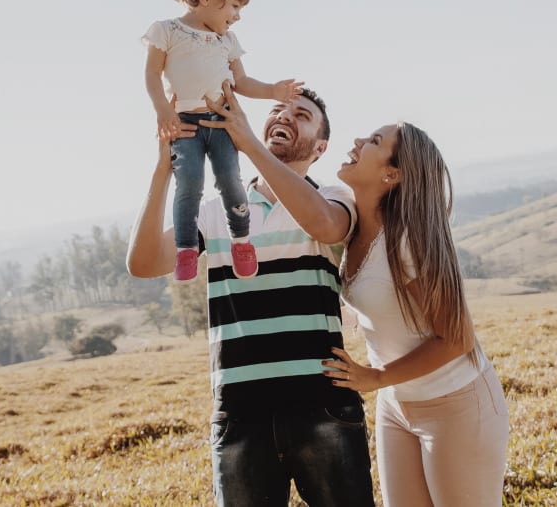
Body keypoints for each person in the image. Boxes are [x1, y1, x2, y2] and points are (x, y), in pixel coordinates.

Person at [204, 86, 510, 506]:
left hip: (454, 405)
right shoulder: (354, 225)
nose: (357, 143)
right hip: (397, 406)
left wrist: (377, 377)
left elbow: (456, 338)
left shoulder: (408, 242)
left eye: (374, 143)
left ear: (392, 174)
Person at [126, 87, 376, 506]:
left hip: (322, 406)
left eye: (302, 114)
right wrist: (163, 168)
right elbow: (144, 263)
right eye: (279, 109)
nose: (286, 116)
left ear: (320, 146)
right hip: (240, 413)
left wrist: (249, 145)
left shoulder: (333, 197)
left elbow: (326, 228)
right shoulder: (212, 211)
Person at [143, 0, 302, 282]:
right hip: (185, 124)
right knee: (189, 185)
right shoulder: (166, 31)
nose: (237, 16)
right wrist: (161, 110)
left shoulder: (227, 41)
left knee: (230, 180)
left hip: (221, 122)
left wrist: (273, 90)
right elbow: (152, 76)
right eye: (234, 6)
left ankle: (241, 241)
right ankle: (186, 250)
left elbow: (241, 82)